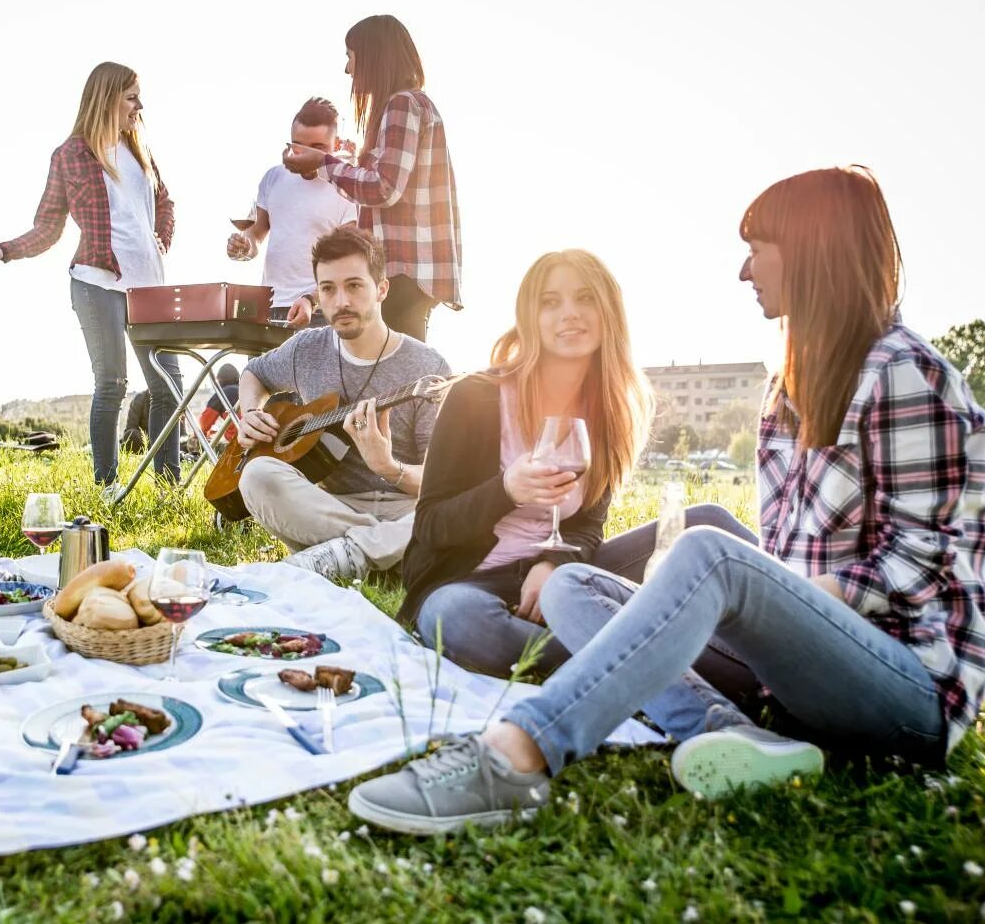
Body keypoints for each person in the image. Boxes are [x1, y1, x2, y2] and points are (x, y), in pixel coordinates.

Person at [347, 166, 985, 836]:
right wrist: (727, 608)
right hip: (792, 683)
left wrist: (774, 595)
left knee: (707, 550)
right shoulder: (792, 390)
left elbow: (921, 562)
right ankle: (731, 731)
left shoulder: (904, 371)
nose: (744, 270)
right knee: (572, 592)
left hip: (909, 691)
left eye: (758, 248)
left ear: (810, 249)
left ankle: (514, 754)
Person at [400, 250, 653, 676]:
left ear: (608, 309)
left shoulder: (607, 411)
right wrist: (506, 490)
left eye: (585, 298)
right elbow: (430, 526)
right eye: (550, 302)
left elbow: (587, 526)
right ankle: (651, 650)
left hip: (562, 583)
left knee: (706, 525)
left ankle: (776, 624)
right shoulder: (476, 397)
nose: (569, 314)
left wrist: (552, 565)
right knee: (457, 621)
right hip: (471, 585)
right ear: (529, 317)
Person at [0, 61, 183, 488]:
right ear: (108, 98)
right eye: (132, 97)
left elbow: (166, 202)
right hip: (96, 282)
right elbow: (49, 227)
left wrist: (160, 239)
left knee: (168, 386)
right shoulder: (69, 155)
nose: (140, 106)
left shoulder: (139, 147)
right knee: (112, 383)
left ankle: (167, 487)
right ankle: (108, 487)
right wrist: (3, 250)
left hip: (150, 286)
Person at [236, 226, 450, 581]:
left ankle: (344, 555)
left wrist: (389, 466)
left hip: (406, 507)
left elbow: (442, 481)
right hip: (331, 507)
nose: (341, 302)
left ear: (381, 289)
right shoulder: (306, 349)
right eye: (328, 289)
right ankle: (383, 553)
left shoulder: (428, 367)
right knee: (256, 476)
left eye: (354, 286)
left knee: (448, 511)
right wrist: (251, 412)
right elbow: (253, 374)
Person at [281, 15, 461, 342]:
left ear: (373, 57)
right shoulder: (410, 106)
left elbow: (384, 187)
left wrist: (322, 162)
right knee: (400, 376)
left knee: (398, 382)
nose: (348, 70)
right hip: (409, 272)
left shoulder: (402, 105)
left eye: (350, 57)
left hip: (402, 269)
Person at [227, 98, 357, 328]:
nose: (305, 155)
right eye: (298, 146)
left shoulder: (347, 188)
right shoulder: (273, 178)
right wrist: (245, 244)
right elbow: (256, 234)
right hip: (269, 309)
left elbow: (348, 265)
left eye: (317, 148)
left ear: (335, 144)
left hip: (320, 314)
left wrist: (311, 301)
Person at [198, 363, 241, 445]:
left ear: (219, 380)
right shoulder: (248, 390)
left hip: (237, 441)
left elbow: (204, 425)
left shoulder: (221, 394)